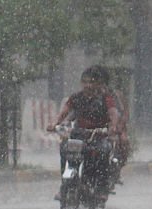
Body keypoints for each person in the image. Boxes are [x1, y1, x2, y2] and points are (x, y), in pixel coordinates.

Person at [47, 65, 121, 195]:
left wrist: (113, 127)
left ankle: (101, 188)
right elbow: (65, 111)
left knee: (103, 152)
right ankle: (65, 183)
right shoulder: (76, 97)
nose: (87, 85)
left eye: (91, 82)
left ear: (98, 84)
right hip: (79, 134)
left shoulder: (106, 98)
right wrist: (55, 124)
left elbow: (113, 113)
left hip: (98, 135)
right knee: (65, 149)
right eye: (85, 82)